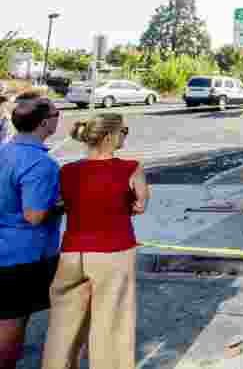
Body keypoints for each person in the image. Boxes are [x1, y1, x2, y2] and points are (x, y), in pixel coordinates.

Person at [42, 113, 150, 369]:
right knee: (111, 323)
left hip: (72, 253)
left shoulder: (67, 171)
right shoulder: (130, 167)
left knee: (63, 326)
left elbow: (61, 203)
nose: (125, 135)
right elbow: (140, 204)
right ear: (110, 136)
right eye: (124, 130)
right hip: (114, 251)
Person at [0, 97, 63, 369]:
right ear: (44, 122)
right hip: (21, 255)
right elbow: (34, 215)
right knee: (12, 318)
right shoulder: (40, 163)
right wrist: (65, 205)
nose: (58, 116)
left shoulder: (4, 151)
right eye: (56, 113)